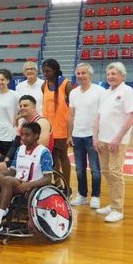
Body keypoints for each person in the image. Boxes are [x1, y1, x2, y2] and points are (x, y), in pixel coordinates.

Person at [0, 122, 53, 238]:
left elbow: (48, 179)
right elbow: (12, 171)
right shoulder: (20, 149)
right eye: (22, 135)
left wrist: (28, 184)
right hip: (14, 182)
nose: (24, 138)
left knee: (9, 180)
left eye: (28, 135)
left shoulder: (44, 152)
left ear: (36, 135)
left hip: (31, 187)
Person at [93, 62, 133, 223]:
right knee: (106, 172)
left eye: (114, 74)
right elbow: (98, 117)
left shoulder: (127, 91)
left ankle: (118, 209)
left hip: (117, 142)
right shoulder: (105, 93)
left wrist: (117, 138)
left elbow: (132, 117)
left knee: (115, 173)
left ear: (122, 76)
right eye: (108, 74)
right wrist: (95, 137)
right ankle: (112, 205)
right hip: (102, 140)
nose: (110, 76)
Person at [68, 63, 105, 208]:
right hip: (77, 135)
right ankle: (82, 195)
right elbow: (71, 116)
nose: (81, 76)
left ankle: (96, 196)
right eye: (78, 73)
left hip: (93, 136)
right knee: (79, 168)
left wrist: (99, 135)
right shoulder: (73, 93)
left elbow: (103, 115)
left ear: (90, 74)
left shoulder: (100, 91)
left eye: (84, 73)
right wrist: (69, 135)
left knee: (95, 168)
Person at [42, 59, 74, 189]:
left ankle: (67, 187)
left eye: (47, 71)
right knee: (53, 158)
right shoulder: (43, 85)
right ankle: (58, 185)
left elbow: (73, 106)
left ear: (55, 70)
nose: (45, 73)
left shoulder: (66, 84)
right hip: (48, 129)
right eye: (43, 71)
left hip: (62, 128)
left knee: (63, 157)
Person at [0, 69, 20, 161]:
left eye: (2, 79)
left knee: (7, 163)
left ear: (8, 81)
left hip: (9, 134)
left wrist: (17, 119)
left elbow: (22, 110)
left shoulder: (15, 95)